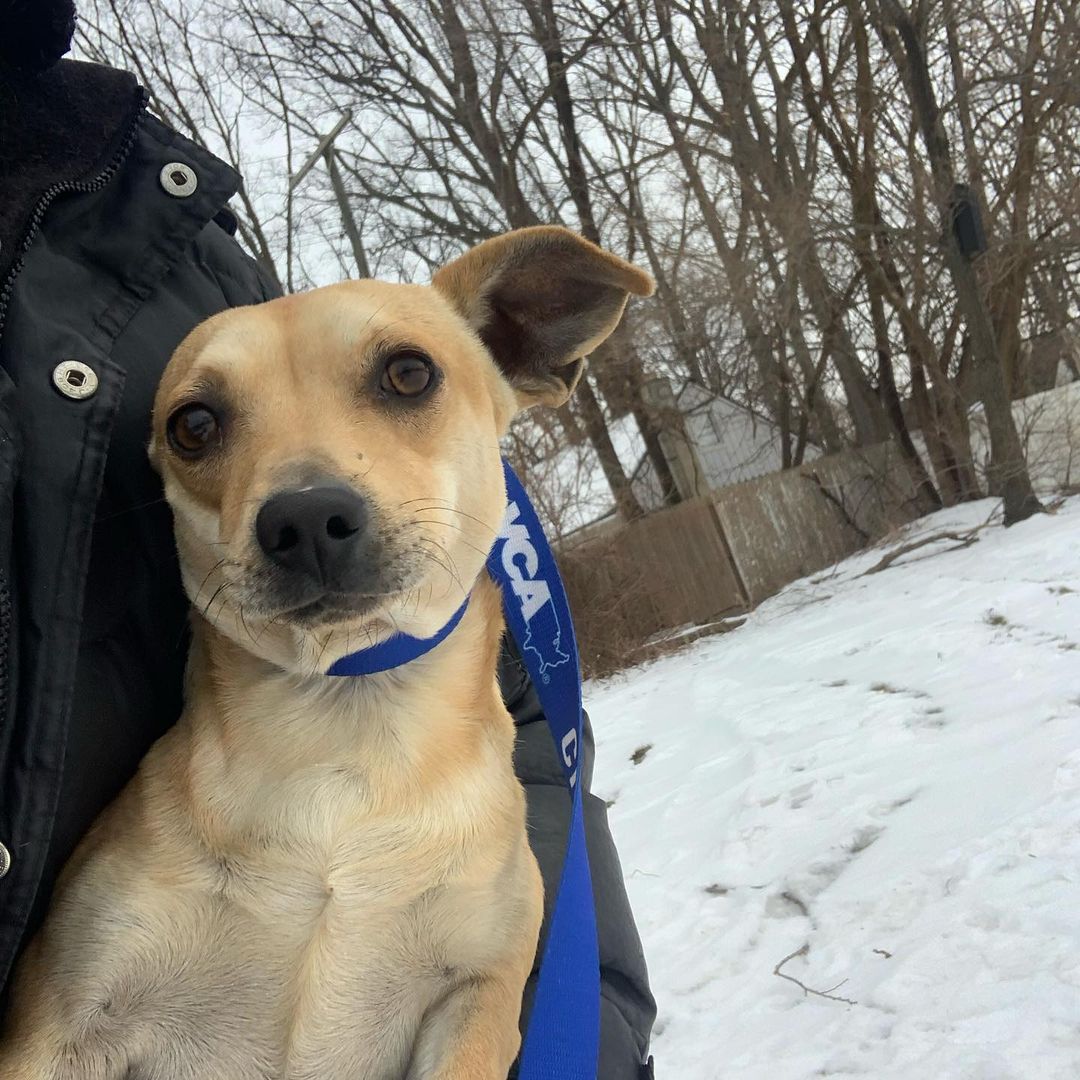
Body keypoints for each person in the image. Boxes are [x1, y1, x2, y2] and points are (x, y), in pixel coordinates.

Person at [0, 2, 655, 1076]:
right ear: (166, 475)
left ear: (516, 354)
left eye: (401, 380)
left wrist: (585, 1033)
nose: (303, 495)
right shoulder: (146, 859)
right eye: (206, 428)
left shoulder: (170, 233)